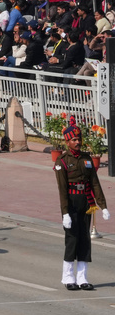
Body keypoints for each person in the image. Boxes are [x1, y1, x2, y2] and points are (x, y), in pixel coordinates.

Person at [55, 120, 110, 290]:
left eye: (79, 139)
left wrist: (103, 206)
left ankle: (82, 278)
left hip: (86, 202)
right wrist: (65, 213)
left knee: (85, 239)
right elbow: (62, 190)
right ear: (67, 141)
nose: (78, 142)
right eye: (74, 140)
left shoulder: (86, 159)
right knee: (72, 239)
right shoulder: (62, 161)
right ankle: (68, 278)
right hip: (71, 202)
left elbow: (95, 183)